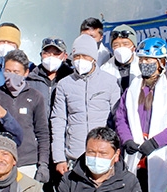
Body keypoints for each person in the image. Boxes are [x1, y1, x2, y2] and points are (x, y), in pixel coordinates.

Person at [115, 38, 167, 192]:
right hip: (136, 158)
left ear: (162, 62)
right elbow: (120, 117)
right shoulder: (132, 88)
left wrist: (155, 142)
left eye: (149, 60)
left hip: (162, 156)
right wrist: (127, 140)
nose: (144, 63)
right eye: (141, 60)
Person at [50, 35, 120, 177]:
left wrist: (116, 152)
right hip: (75, 157)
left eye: (85, 56)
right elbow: (58, 121)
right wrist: (59, 158)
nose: (80, 60)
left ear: (93, 58)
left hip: (103, 156)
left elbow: (118, 119)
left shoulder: (110, 82)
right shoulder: (64, 84)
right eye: (77, 56)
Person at [0, 49, 50, 182]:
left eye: (16, 72)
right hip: (1, 164)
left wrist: (43, 164)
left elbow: (42, 133)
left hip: (28, 163)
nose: (11, 76)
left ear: (26, 73)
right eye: (8, 71)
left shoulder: (35, 96)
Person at [26, 37, 73, 117]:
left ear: (65, 56)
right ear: (41, 55)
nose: (51, 57)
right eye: (47, 53)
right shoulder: (30, 80)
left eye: (56, 53)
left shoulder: (72, 79)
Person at [101, 24, 141, 95]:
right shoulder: (104, 70)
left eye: (125, 44)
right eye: (116, 45)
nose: (121, 48)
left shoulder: (142, 66)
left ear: (134, 47)